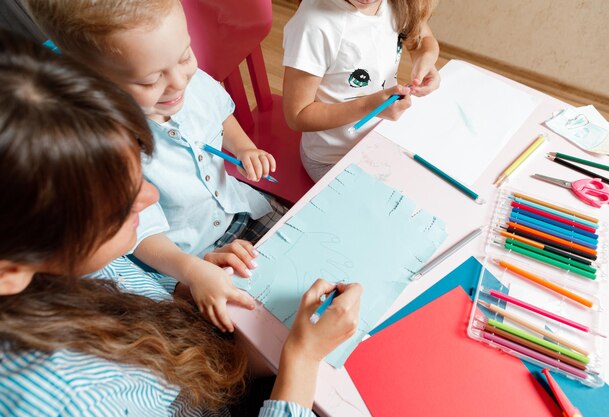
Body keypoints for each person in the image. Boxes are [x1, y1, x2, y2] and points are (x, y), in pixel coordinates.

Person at [0, 31, 362, 417]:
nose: (152, 198)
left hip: (207, 358)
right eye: (116, 204)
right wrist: (302, 360)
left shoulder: (42, 243)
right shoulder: (71, 402)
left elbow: (134, 291)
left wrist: (186, 283)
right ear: (11, 270)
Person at [24, 0, 286, 333]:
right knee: (253, 328)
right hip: (188, 258)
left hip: (242, 208)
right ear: (94, 82)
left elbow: (219, 112)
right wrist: (191, 271)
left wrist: (245, 147)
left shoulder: (185, 80)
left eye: (186, 55)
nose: (179, 82)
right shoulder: (103, 148)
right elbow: (141, 234)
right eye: (150, 81)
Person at [282, 0, 441, 181]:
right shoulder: (313, 24)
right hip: (334, 159)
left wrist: (425, 60)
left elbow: (424, 38)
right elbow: (297, 116)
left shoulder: (398, 4)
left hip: (383, 137)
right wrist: (369, 106)